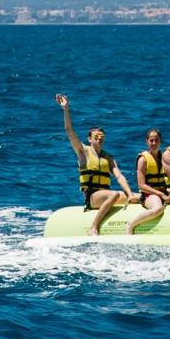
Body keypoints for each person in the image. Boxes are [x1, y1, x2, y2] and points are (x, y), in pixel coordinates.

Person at [55, 94, 134, 235]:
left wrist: (129, 194)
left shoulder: (108, 157)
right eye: (96, 137)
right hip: (92, 197)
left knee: (137, 196)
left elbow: (120, 177)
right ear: (89, 139)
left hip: (106, 193)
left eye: (102, 138)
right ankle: (93, 227)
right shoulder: (83, 151)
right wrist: (66, 109)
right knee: (114, 195)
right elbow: (69, 131)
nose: (99, 140)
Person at [125, 128, 169, 234]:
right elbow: (141, 185)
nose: (154, 143)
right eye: (151, 140)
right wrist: (161, 195)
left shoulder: (164, 157)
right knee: (158, 208)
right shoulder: (143, 159)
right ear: (147, 142)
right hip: (149, 195)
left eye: (157, 140)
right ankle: (130, 224)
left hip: (164, 193)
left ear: (160, 141)